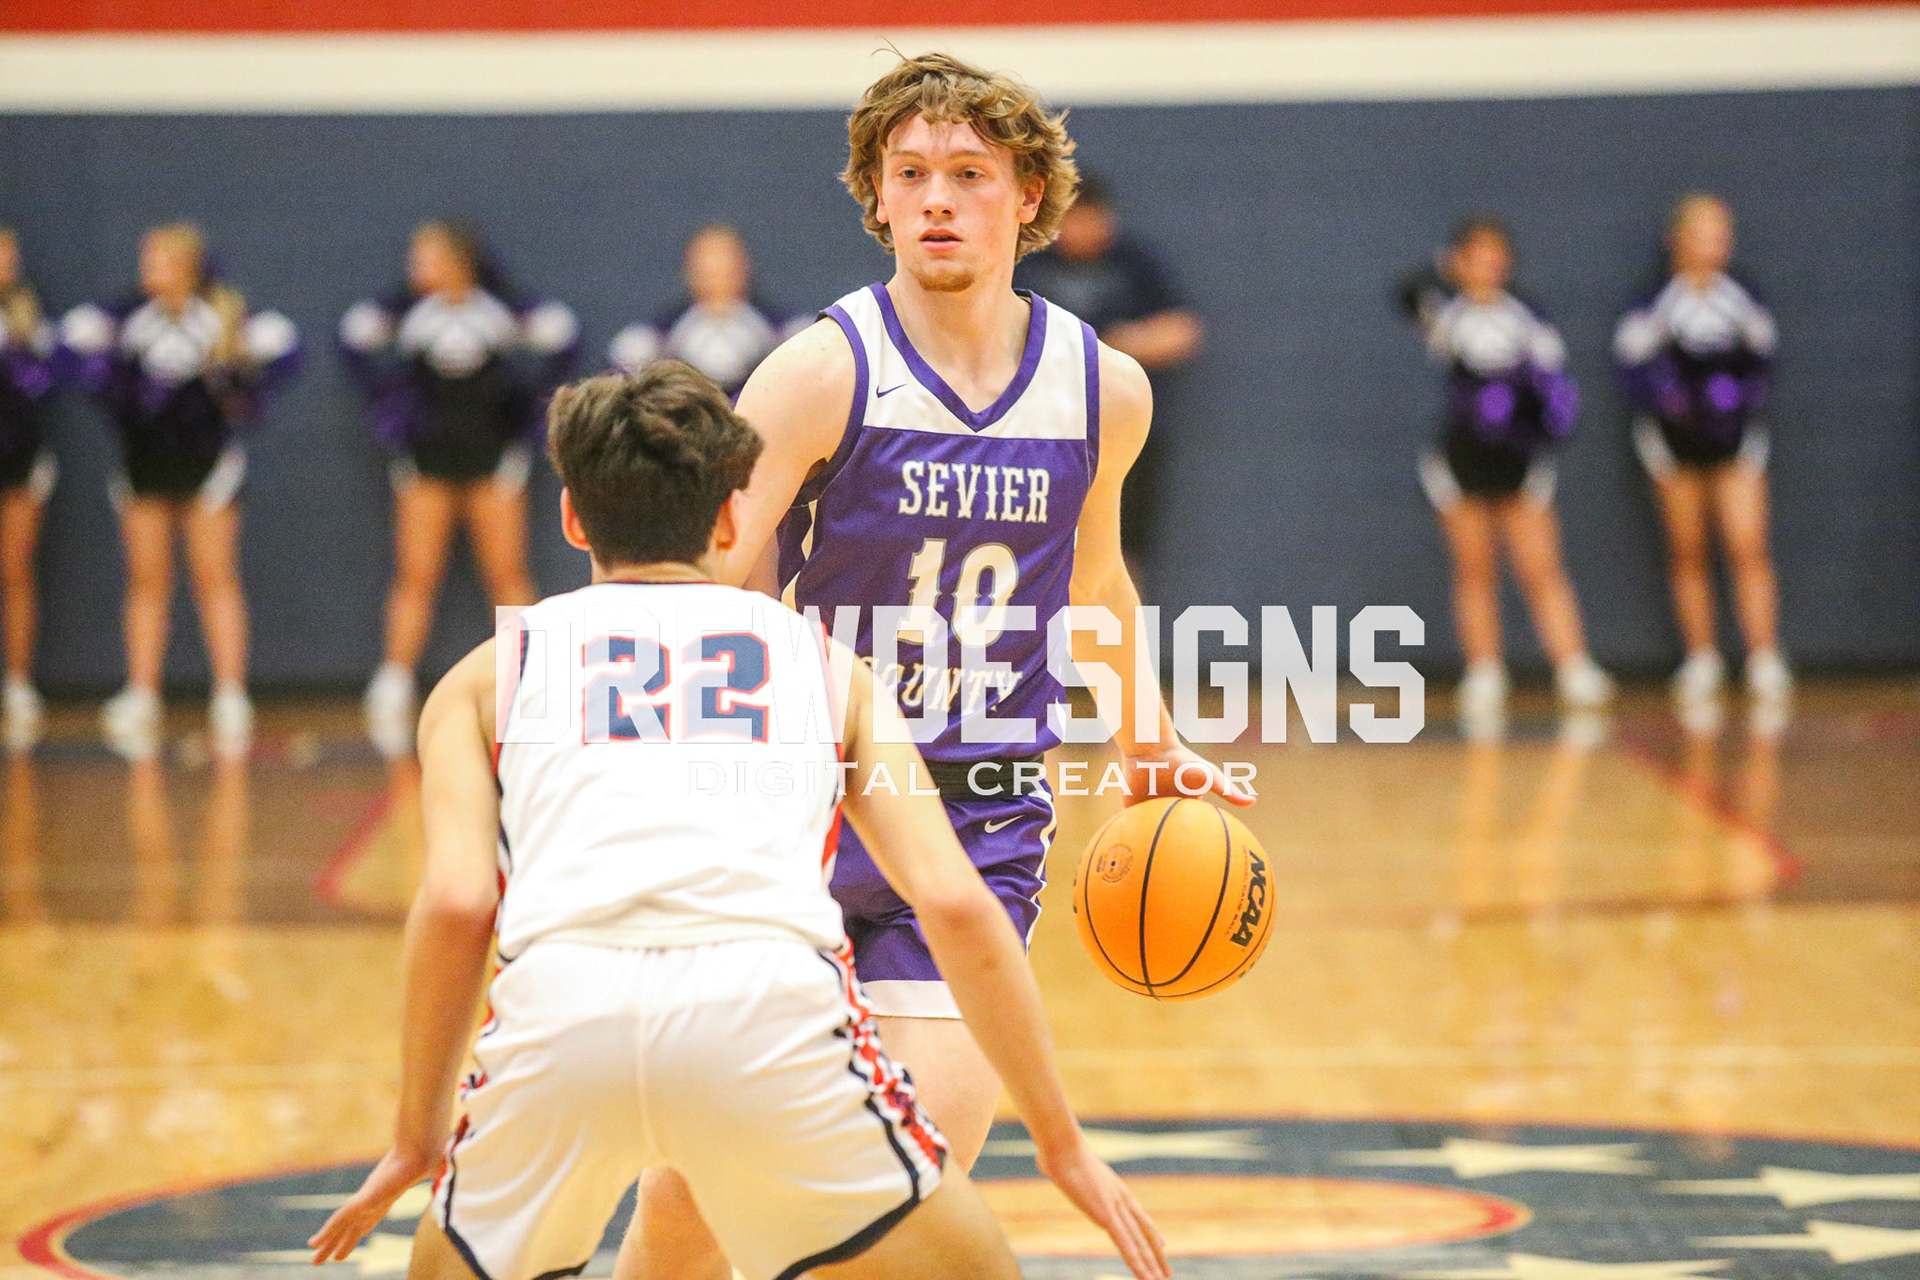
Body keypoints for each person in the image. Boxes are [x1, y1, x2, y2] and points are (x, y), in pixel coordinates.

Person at [306, 364, 1168, 1280]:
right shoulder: (824, 665)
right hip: (764, 1021)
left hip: (558, 1021)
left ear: (571, 518)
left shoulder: (485, 676)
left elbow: (454, 905)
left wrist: (416, 1139)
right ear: (729, 520)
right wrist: (1061, 1142)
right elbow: (954, 903)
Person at [622, 51, 1251, 1280]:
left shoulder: (1102, 387)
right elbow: (715, 579)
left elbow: (1095, 583)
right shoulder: (819, 370)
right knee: (690, 1192)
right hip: (801, 807)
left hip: (975, 822)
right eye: (909, 174)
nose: (937, 199)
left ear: (1029, 195)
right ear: (877, 196)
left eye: (968, 172)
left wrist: (1148, 740)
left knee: (895, 1195)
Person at [58, 222, 301, 761]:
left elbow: (283, 343)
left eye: (160, 261)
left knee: (215, 577)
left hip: (207, 464)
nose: (148, 271)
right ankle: (142, 692)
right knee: (147, 581)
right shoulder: (129, 318)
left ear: (189, 266)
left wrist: (236, 355)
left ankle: (231, 694)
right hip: (144, 464)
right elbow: (71, 339)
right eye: (146, 261)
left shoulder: (221, 316)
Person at [340, 221, 579, 759]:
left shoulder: (499, 311)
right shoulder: (409, 313)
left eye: (426, 257)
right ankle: (394, 679)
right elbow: (354, 340)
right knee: (415, 573)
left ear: (459, 260)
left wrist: (523, 411)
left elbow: (562, 337)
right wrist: (393, 412)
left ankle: (534, 679)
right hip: (427, 460)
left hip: (492, 458)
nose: (416, 267)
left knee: (507, 571)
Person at [1399, 216, 1613, 728]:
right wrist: (1442, 269)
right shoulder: (1445, 315)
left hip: (1518, 458)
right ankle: (1485, 670)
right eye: (1475, 257)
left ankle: (1573, 667)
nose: (1487, 267)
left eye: (1497, 258)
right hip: (1462, 456)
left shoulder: (1527, 316)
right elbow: (1405, 293)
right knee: (1474, 569)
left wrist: (1543, 426)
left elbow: (1554, 385)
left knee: (1542, 567)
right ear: (1459, 261)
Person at [1614, 194, 1788, 709]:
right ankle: (1701, 657)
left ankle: (1763, 656)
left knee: (1747, 544)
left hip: (1734, 438)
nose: (1715, 245)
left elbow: (1764, 356)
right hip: (1675, 442)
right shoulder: (1655, 301)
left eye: (1721, 234)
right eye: (1703, 233)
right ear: (1677, 240)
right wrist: (1670, 399)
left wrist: (1733, 400)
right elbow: (1630, 361)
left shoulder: (1743, 296)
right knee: (1687, 548)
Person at [1015, 173, 1203, 570]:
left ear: (1106, 217)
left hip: (1124, 432)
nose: (1081, 230)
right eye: (1071, 219)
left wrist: (1119, 347)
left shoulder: (1134, 264)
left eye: (1090, 218)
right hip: (1044, 433)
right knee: (1040, 543)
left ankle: (1117, 615)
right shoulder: (1030, 265)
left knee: (1121, 549)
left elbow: (1182, 331)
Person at [609, 224, 801, 398]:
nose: (717, 279)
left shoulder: (787, 333)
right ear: (689, 272)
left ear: (744, 268)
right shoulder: (654, 337)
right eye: (707, 271)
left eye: (726, 268)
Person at [0, 228, 58, 753]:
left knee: (16, 571)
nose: (7, 264)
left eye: (10, 255)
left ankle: (17, 682)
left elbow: (46, 381)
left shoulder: (27, 317)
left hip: (18, 461)